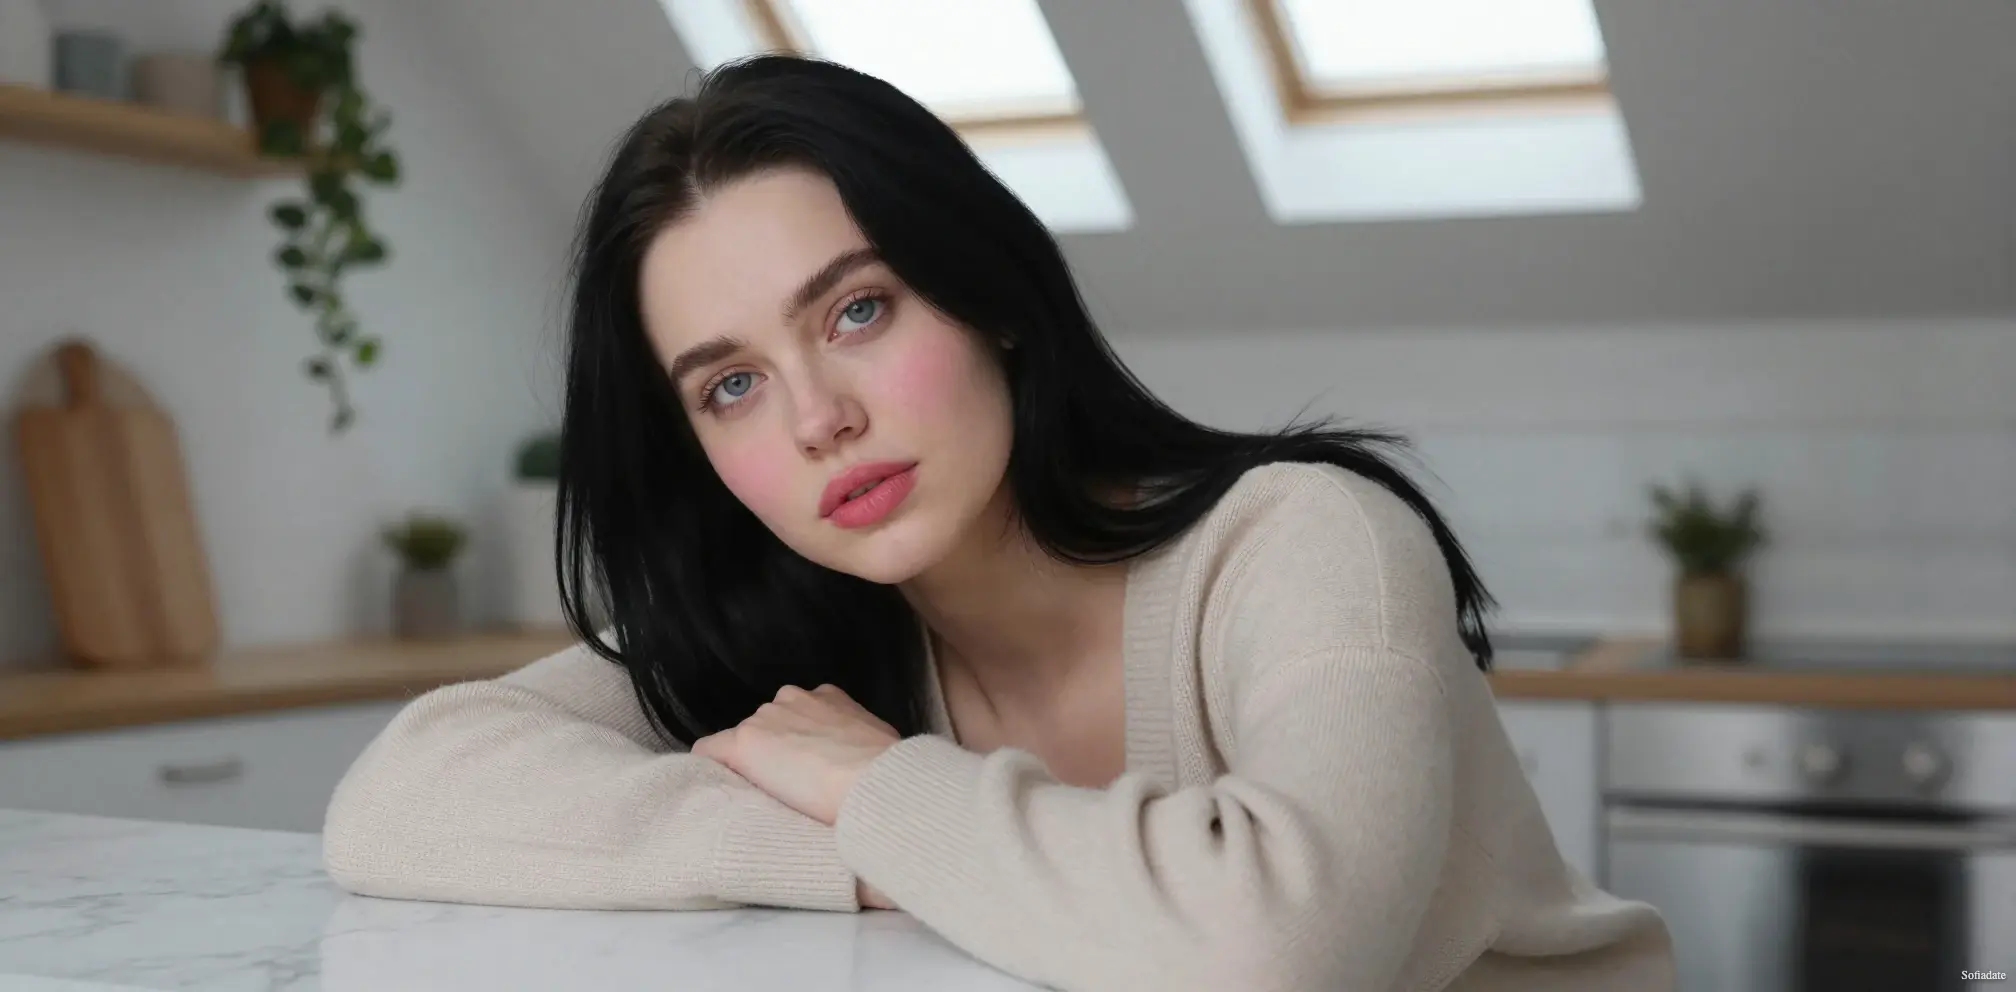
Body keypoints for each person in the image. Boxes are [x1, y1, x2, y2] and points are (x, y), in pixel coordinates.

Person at [323, 53, 1674, 992]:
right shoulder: (798, 633)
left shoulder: (1305, 543)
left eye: (857, 310)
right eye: (731, 386)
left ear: (992, 298)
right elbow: (402, 798)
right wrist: (856, 848)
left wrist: (876, 791)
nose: (817, 419)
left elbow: (1278, 947)